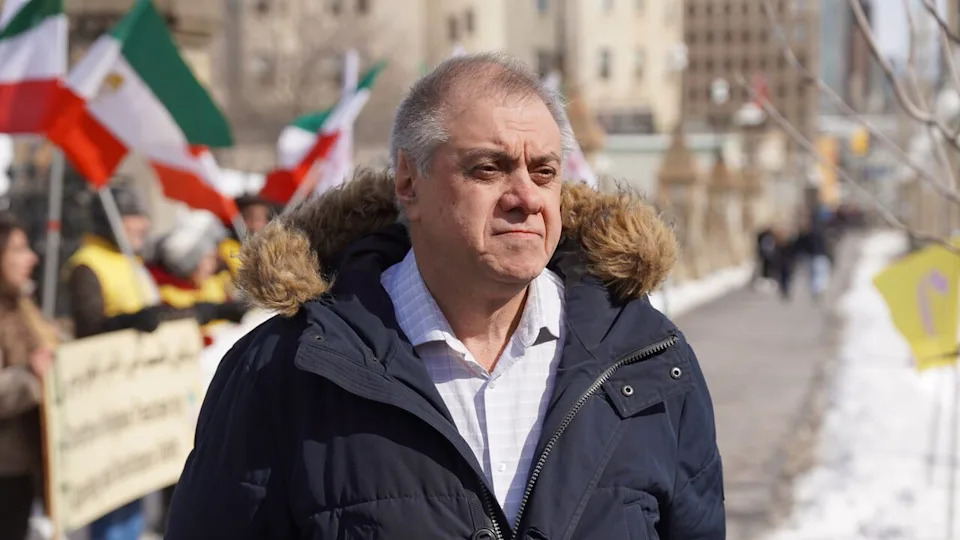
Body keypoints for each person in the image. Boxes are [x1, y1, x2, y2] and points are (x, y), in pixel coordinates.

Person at [167, 53, 724, 539]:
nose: (527, 197)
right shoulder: (286, 370)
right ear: (409, 183)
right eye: (490, 168)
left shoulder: (650, 360)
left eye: (545, 171)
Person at [0, 213, 56, 540]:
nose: (32, 258)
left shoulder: (22, 303)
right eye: (19, 249)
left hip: (23, 466)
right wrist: (30, 377)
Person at [149, 214, 248, 345]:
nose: (212, 265)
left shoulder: (214, 283)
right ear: (190, 264)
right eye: (207, 258)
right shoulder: (168, 294)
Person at [218, 195, 274, 277]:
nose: (265, 223)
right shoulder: (226, 248)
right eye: (257, 218)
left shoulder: (271, 247)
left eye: (265, 218)